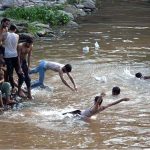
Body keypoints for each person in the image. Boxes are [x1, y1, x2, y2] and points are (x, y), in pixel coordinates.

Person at [63, 92, 129, 119]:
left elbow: (97, 102)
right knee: (64, 115)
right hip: (79, 112)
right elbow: (112, 104)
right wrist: (122, 100)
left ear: (95, 101)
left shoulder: (95, 108)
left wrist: (101, 96)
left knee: (63, 115)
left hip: (78, 115)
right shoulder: (102, 107)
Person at [3, 24, 24, 97]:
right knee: (20, 73)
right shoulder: (17, 36)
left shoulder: (5, 34)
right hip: (15, 55)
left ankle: (13, 88)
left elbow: (2, 42)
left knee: (10, 74)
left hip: (7, 56)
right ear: (15, 29)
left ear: (9, 28)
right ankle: (19, 88)